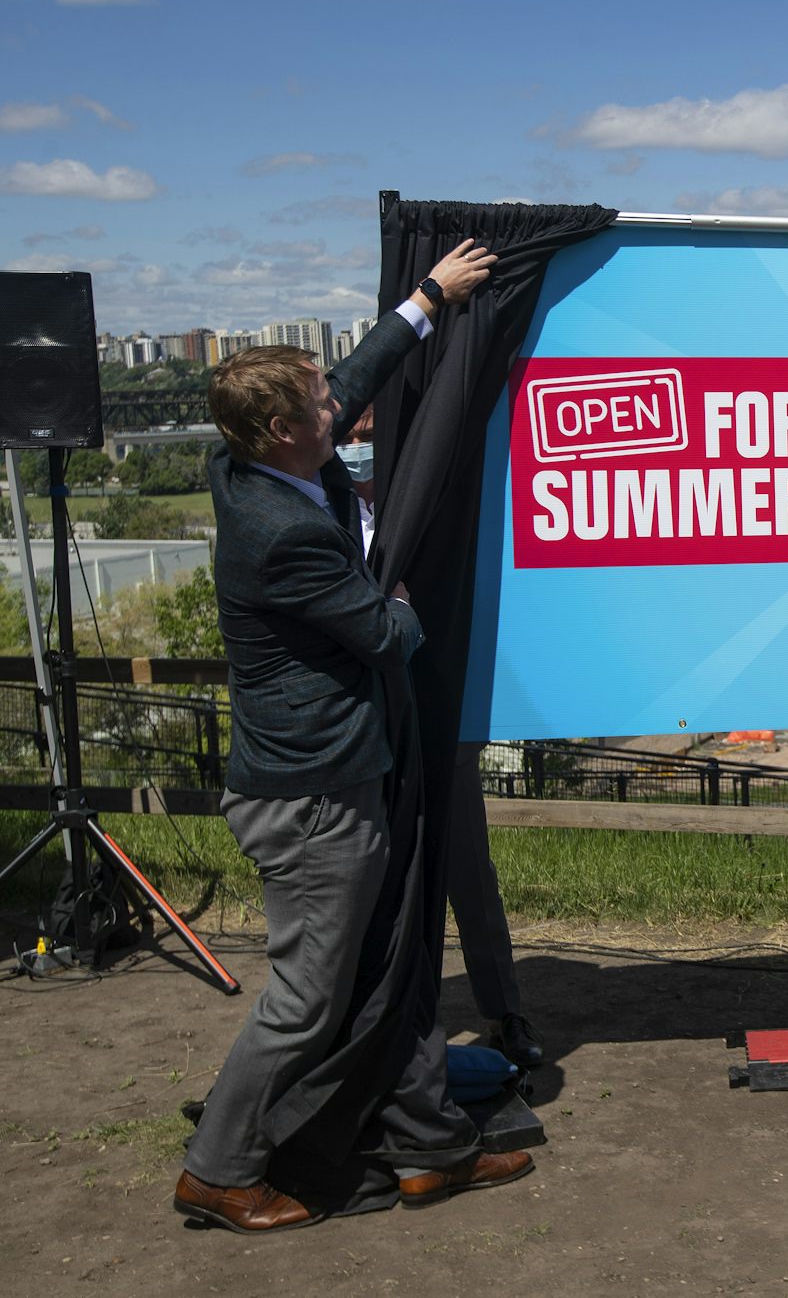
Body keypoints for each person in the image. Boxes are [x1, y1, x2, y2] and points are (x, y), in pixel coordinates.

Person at [177, 239, 535, 1232]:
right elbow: (384, 630)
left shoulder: (257, 454)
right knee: (307, 998)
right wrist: (410, 579)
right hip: (312, 802)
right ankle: (220, 1167)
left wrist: (429, 298)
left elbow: (349, 377)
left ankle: (425, 1139)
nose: (348, 406)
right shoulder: (280, 532)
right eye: (326, 406)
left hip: (341, 779)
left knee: (384, 962)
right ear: (289, 431)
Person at [336, 410, 544, 1069]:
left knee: (468, 875)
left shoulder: (432, 510)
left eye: (373, 436)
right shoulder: (324, 519)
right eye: (351, 437)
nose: (360, 449)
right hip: (363, 730)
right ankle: (369, 1026)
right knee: (366, 883)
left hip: (440, 720)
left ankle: (505, 1013)